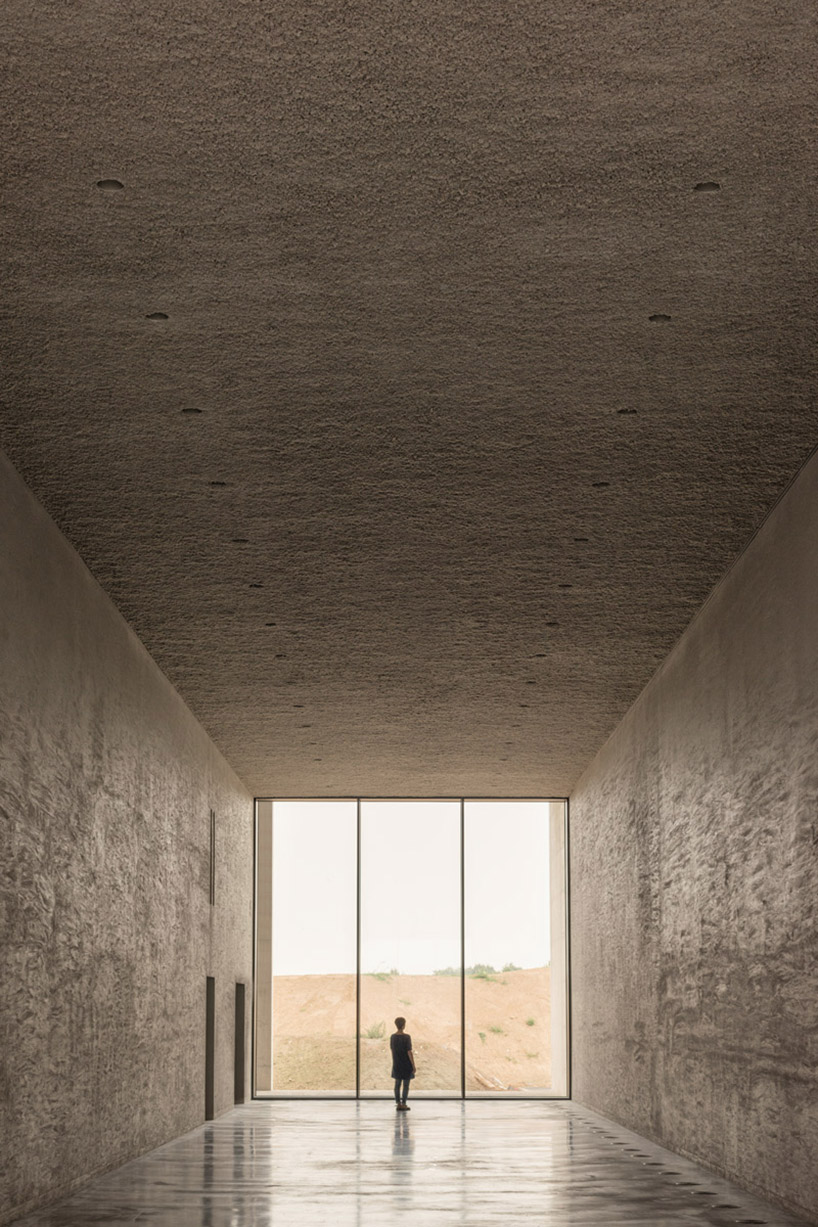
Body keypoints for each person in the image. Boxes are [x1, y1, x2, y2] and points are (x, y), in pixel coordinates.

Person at [389, 1016, 416, 1110]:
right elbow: (409, 1052)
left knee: (397, 1084)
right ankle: (404, 1103)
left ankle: (398, 1104)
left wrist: (395, 1061)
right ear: (404, 1025)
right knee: (406, 1085)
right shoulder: (407, 1037)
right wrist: (413, 1065)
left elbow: (392, 1050)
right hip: (406, 1064)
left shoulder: (393, 1037)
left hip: (397, 1064)